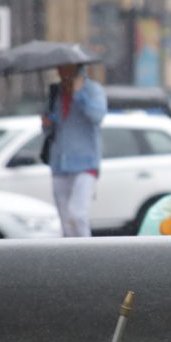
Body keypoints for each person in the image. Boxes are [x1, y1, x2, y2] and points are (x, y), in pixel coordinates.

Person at [41, 63, 107, 237]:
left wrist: (78, 93)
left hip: (85, 163)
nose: (61, 72)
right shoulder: (56, 92)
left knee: (77, 214)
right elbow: (50, 128)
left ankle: (86, 255)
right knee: (65, 221)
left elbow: (97, 115)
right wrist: (47, 122)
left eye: (65, 68)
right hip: (59, 163)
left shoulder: (92, 90)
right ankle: (69, 258)